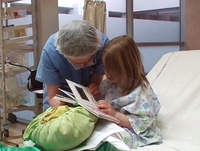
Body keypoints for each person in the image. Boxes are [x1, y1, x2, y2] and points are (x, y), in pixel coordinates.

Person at [97, 35, 162, 149]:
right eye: (105, 67)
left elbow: (143, 123)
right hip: (111, 124)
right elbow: (100, 98)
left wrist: (115, 114)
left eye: (112, 68)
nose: (106, 73)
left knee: (111, 138)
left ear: (127, 67)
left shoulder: (141, 91)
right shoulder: (108, 84)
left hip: (134, 132)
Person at [36, 20, 109, 110]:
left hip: (88, 92)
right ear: (64, 55)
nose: (82, 66)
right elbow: (53, 97)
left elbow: (95, 82)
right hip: (61, 92)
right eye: (77, 63)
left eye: (88, 62)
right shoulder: (51, 52)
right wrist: (65, 108)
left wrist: (94, 88)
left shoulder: (102, 45)